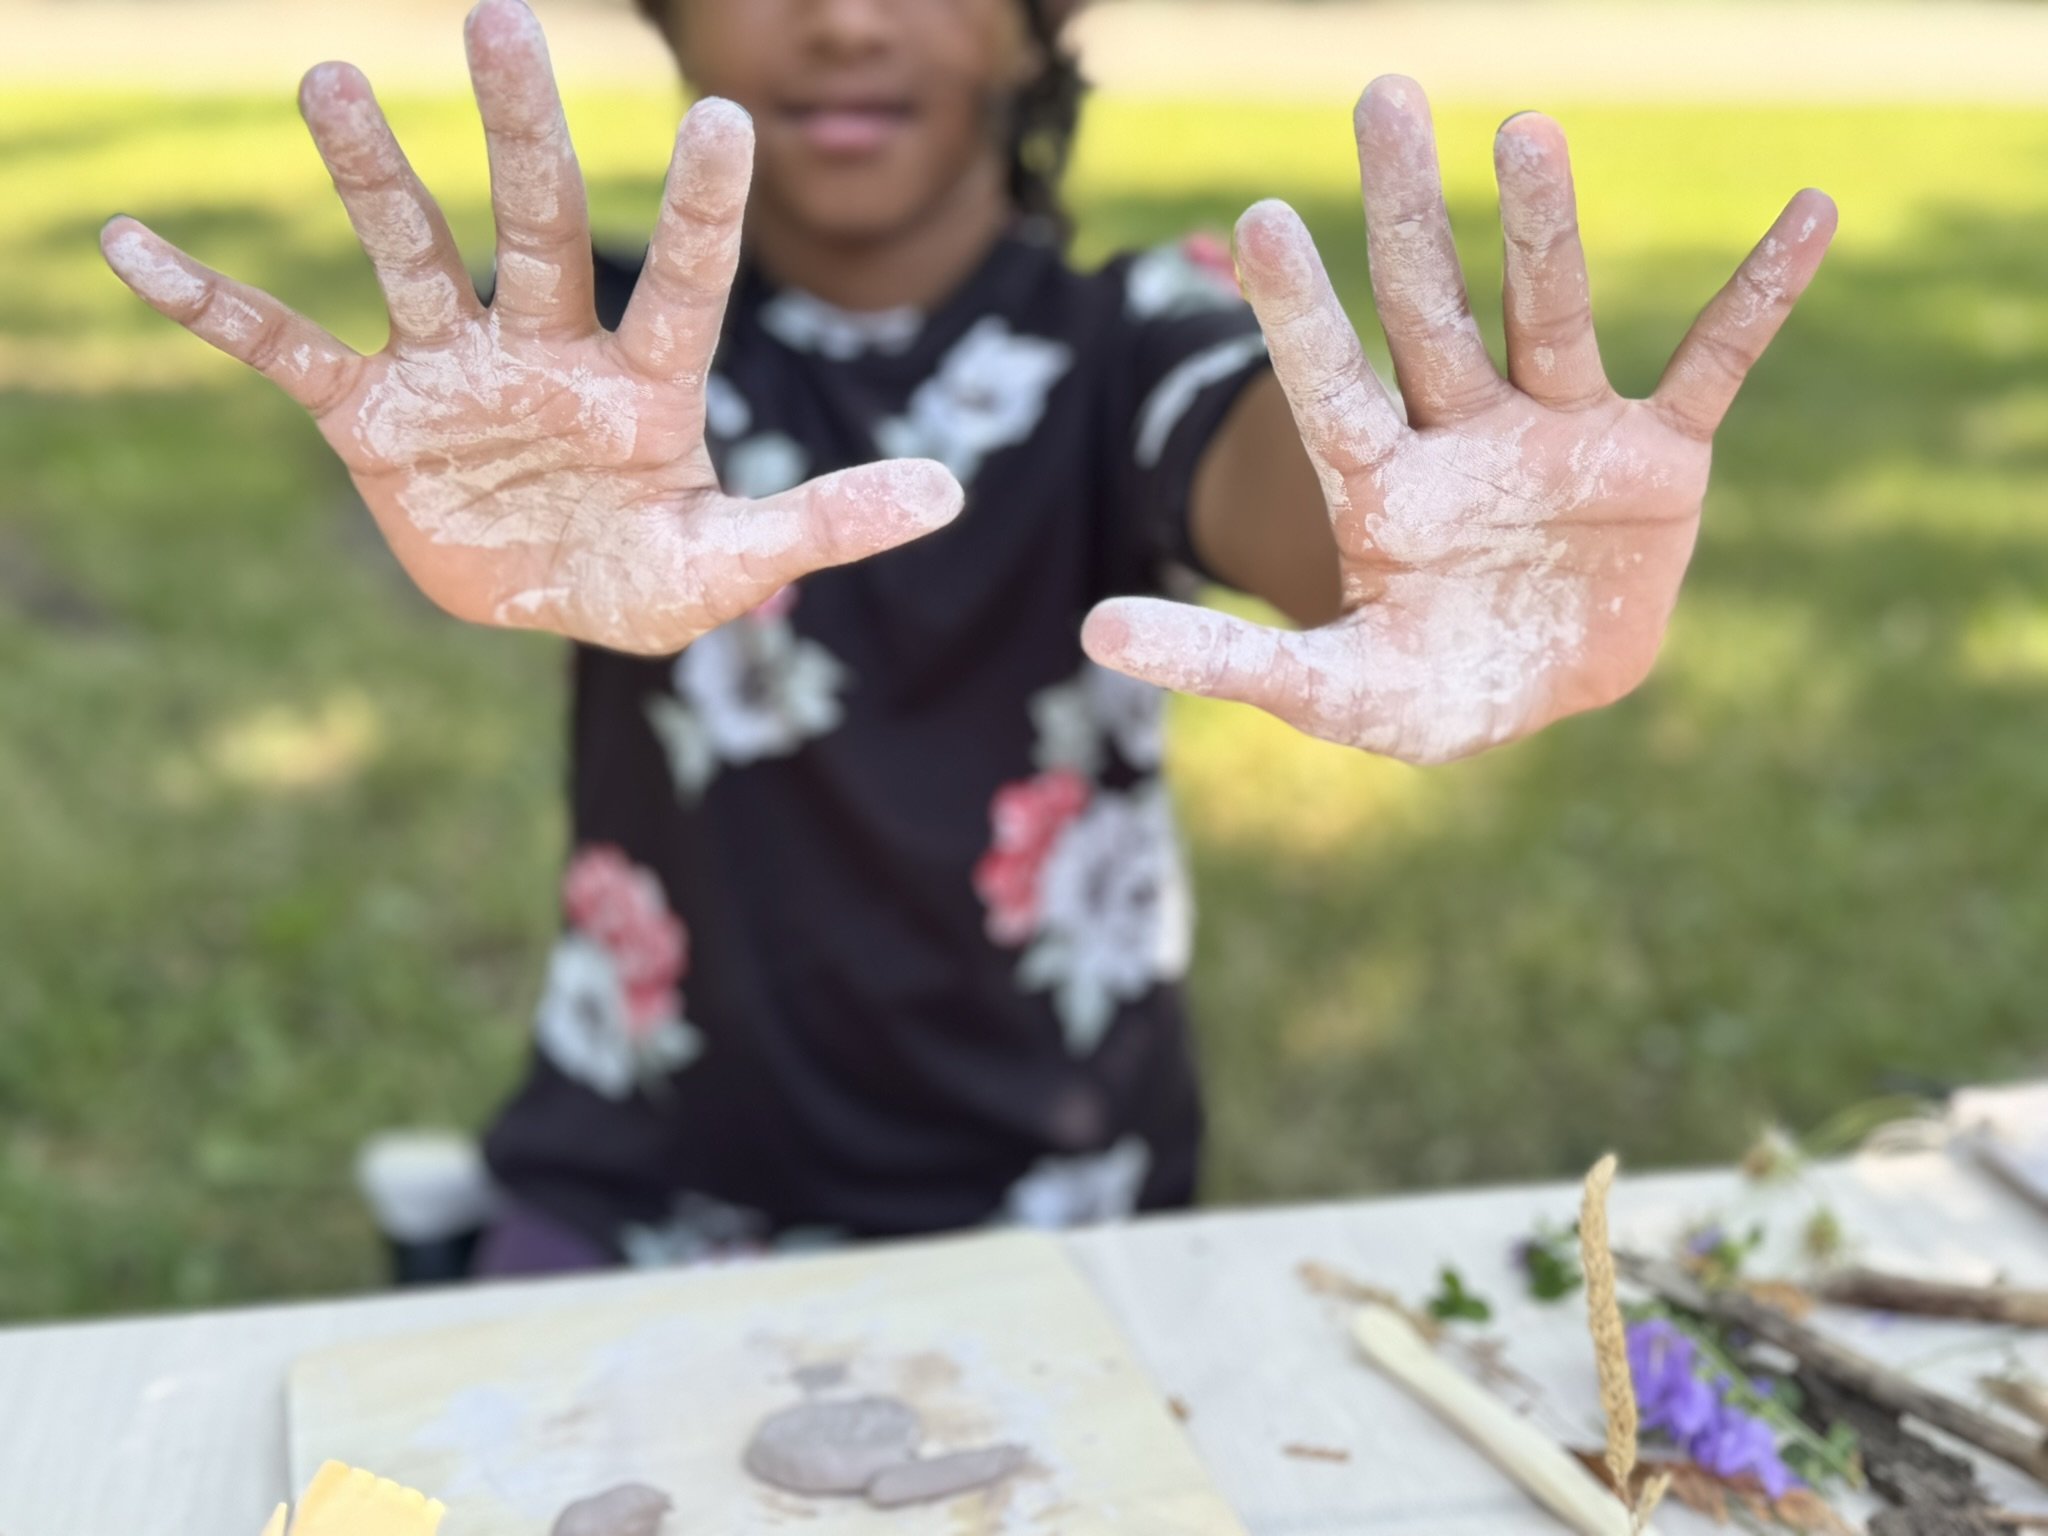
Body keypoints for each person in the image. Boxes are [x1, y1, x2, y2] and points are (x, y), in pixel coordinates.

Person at [100, 0, 1835, 1274]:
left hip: (1062, 1205)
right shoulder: (596, 362)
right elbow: (479, 462)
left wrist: (1438, 565)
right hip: (630, 1182)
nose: (848, 21)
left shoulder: (1133, 333)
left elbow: (1267, 473)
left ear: (1032, 28)